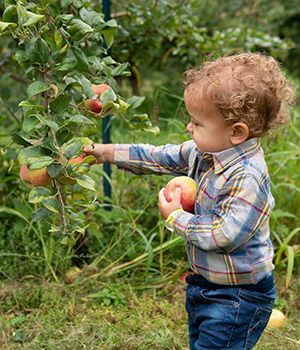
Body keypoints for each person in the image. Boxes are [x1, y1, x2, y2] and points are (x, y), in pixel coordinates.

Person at [84, 53, 295, 349]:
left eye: (197, 122)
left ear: (236, 132)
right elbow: (157, 157)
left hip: (240, 296)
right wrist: (103, 152)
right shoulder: (205, 151)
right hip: (205, 284)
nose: (189, 128)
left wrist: (175, 218)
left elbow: (224, 234)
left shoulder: (248, 177)